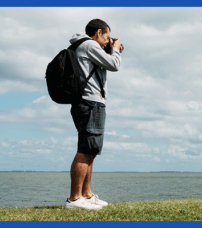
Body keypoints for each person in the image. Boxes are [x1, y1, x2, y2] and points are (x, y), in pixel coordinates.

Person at [65, 19, 123, 210]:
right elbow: (114, 65)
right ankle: (74, 199)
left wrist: (111, 49)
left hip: (86, 102)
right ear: (99, 33)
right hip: (90, 102)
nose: (108, 41)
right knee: (85, 149)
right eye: (107, 36)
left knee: (91, 150)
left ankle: (86, 195)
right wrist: (114, 50)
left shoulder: (81, 46)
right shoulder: (89, 44)